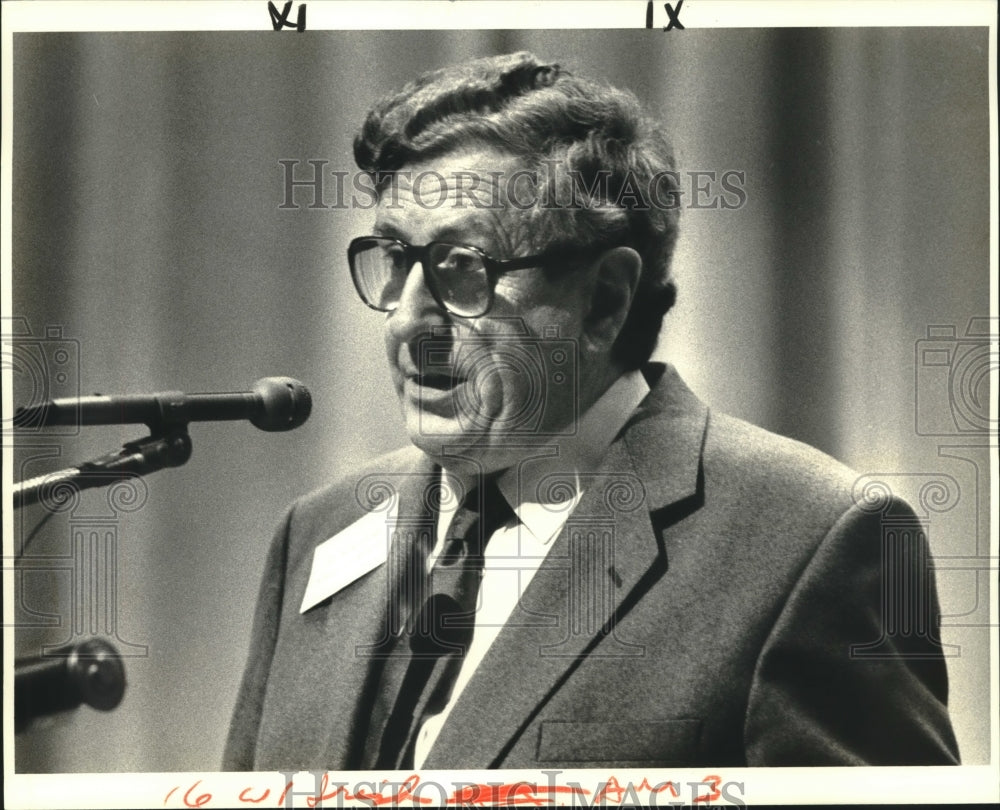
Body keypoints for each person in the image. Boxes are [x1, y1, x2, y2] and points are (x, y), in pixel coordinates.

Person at [224, 52, 959, 770]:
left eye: (462, 268)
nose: (408, 320)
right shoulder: (318, 531)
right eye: (394, 258)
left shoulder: (816, 540)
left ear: (605, 299)